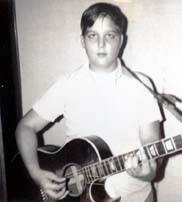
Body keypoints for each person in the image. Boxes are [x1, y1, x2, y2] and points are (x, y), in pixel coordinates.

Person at [15, 2, 163, 202]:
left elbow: (154, 149)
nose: (101, 44)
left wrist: (147, 172)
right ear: (83, 41)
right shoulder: (67, 85)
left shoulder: (141, 86)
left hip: (134, 196)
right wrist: (35, 172)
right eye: (93, 35)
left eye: (110, 36)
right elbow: (25, 127)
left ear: (121, 41)